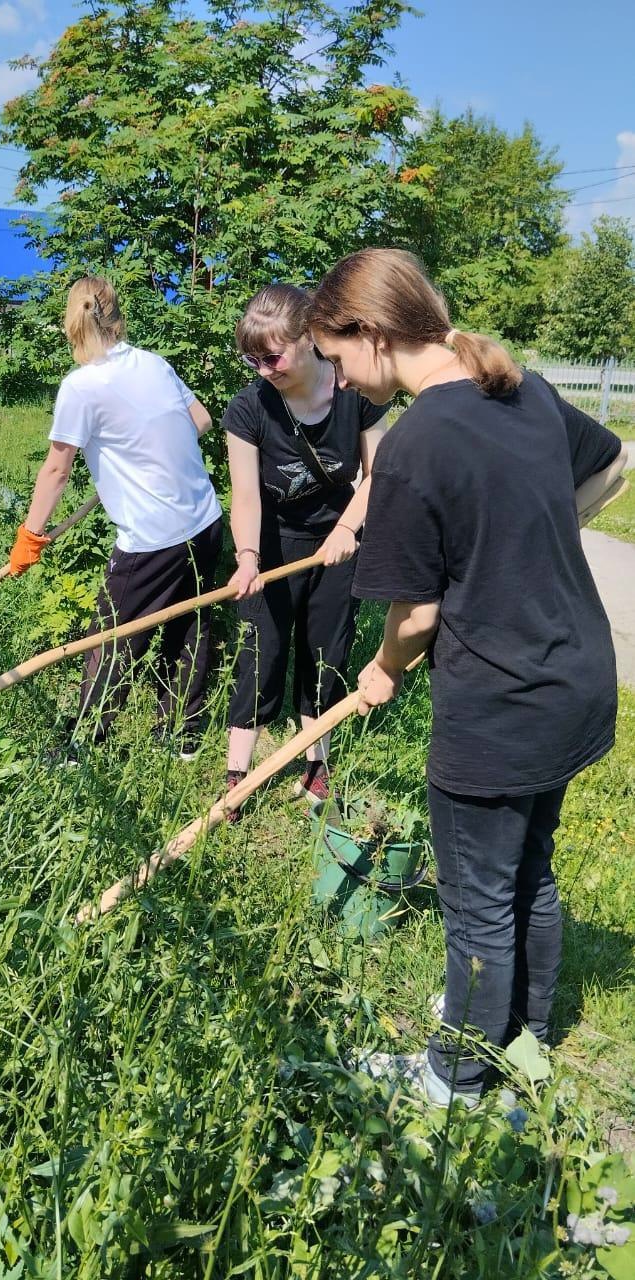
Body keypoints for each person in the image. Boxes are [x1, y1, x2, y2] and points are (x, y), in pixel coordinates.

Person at [309, 247, 628, 1106]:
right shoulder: (518, 389)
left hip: (500, 698)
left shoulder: (415, 443)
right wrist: (529, 538)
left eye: (335, 360)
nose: (337, 383)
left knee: (477, 891)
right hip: (574, 677)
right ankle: (521, 1031)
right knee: (529, 867)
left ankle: (454, 1076)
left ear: (371, 335)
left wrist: (379, 673)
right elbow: (611, 464)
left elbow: (412, 617)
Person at [9, 277, 222, 757]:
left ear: (72, 324)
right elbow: (201, 420)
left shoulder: (81, 386)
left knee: (112, 636)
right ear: (117, 315)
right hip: (205, 519)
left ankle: (85, 739)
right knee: (190, 622)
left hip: (152, 536)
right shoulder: (154, 364)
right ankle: (181, 735)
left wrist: (31, 534)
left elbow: (57, 470)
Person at [222, 284, 389, 815]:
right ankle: (237, 775)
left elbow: (377, 475)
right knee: (260, 655)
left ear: (308, 340)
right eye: (252, 359)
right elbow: (245, 494)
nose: (263, 368)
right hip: (273, 546)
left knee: (325, 655)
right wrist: (247, 557)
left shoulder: (354, 394)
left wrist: (346, 530)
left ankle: (314, 766)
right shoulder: (248, 408)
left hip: (341, 542)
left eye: (271, 356)